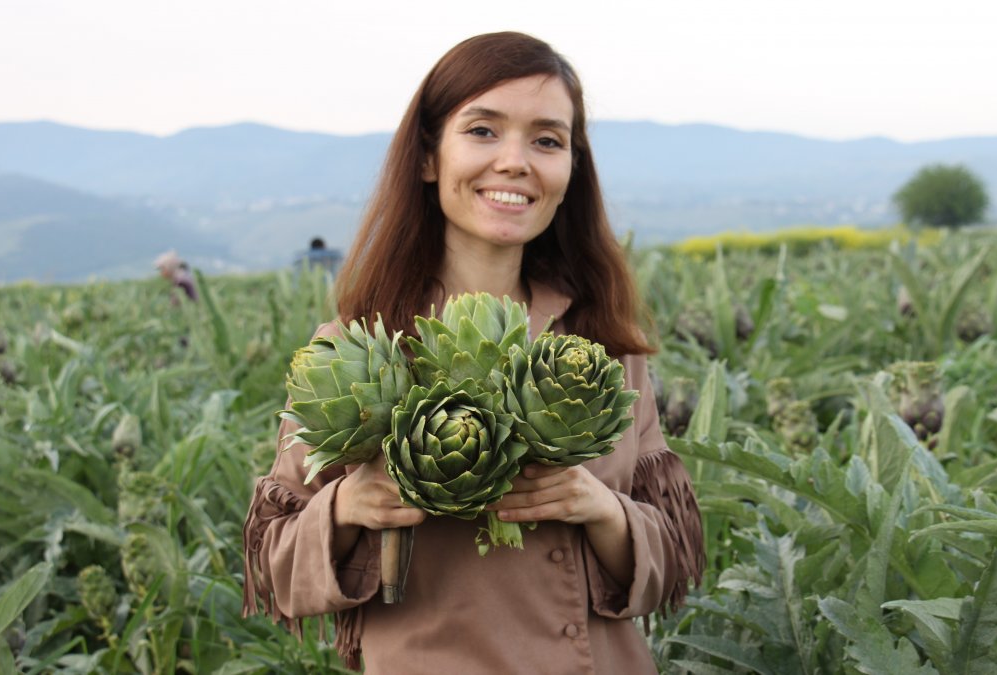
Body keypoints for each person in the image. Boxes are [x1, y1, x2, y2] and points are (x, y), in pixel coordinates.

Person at [242, 32, 704, 674]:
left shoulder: (602, 345)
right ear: (429, 156)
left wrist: (601, 509)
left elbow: (672, 565)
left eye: (547, 140)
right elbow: (274, 566)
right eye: (483, 131)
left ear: (571, 171)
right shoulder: (356, 352)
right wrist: (345, 508)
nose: (515, 161)